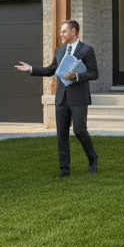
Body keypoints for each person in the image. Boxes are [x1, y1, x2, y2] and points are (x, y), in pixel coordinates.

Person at [15, 20, 98, 178]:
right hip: (61, 98)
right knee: (61, 134)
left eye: (64, 31)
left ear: (74, 31)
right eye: (61, 31)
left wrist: (77, 76)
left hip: (79, 98)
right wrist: (31, 69)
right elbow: (51, 70)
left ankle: (93, 158)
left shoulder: (87, 50)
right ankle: (64, 169)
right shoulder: (59, 51)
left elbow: (94, 73)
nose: (61, 34)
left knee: (80, 130)